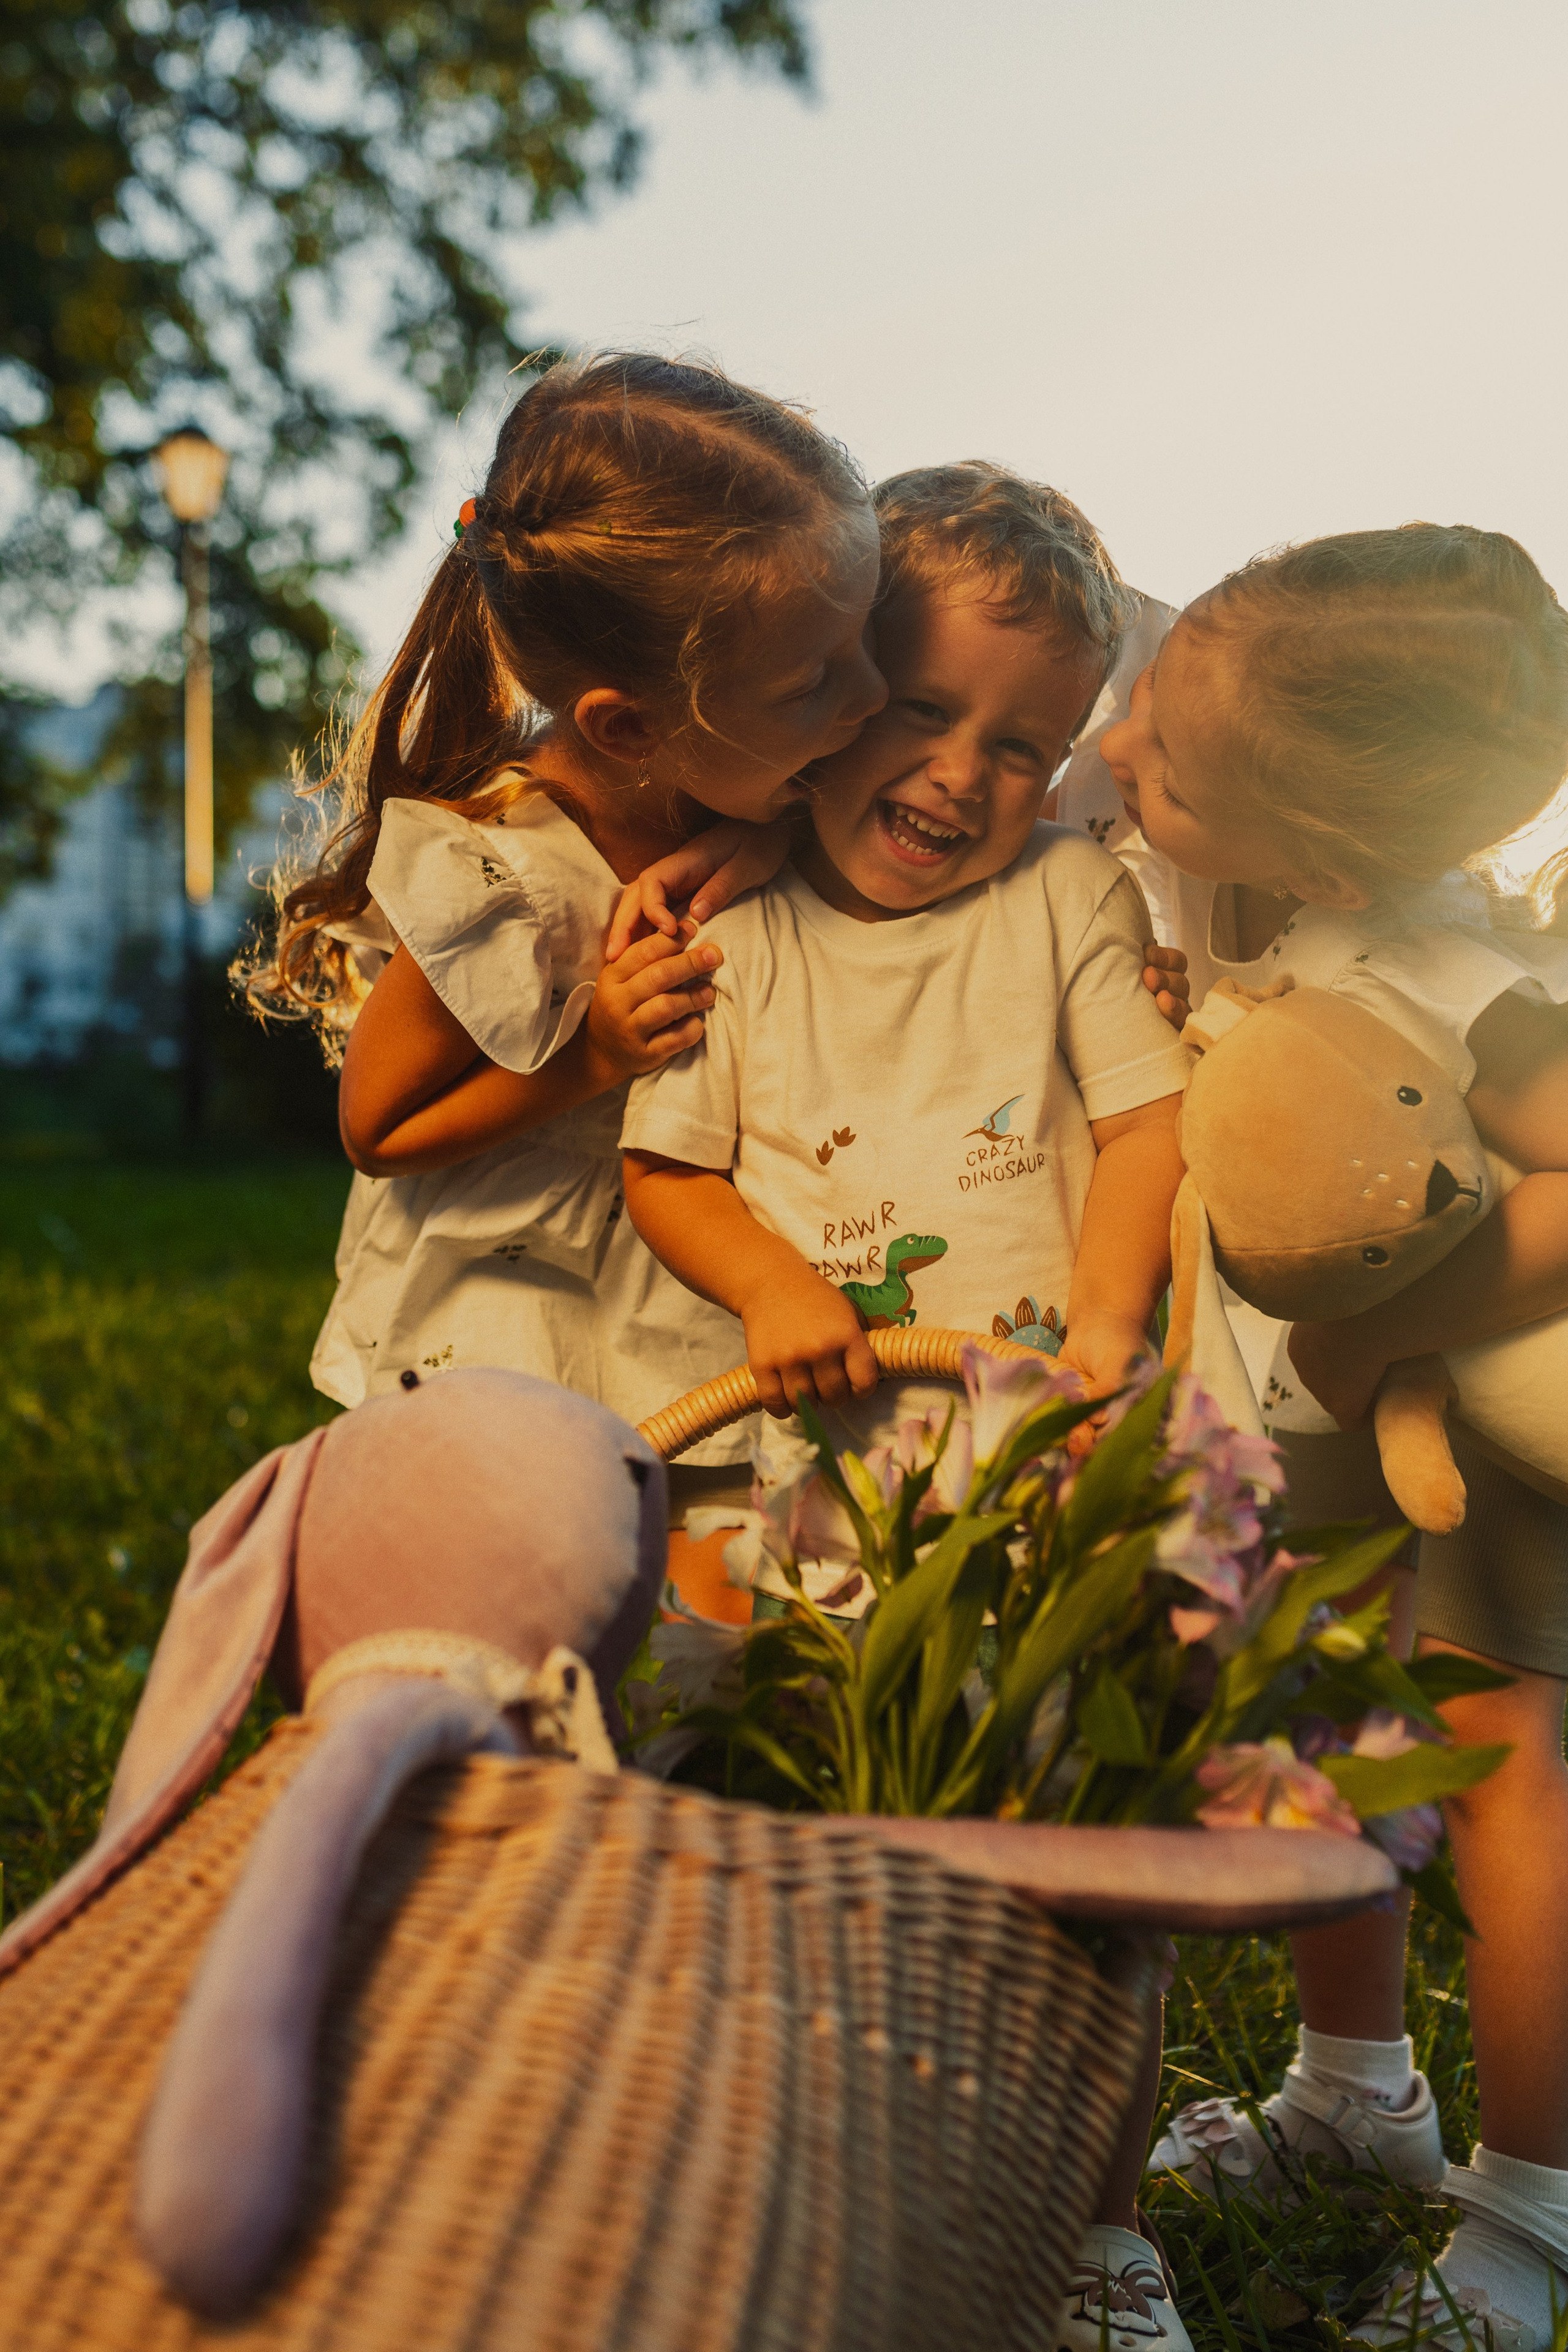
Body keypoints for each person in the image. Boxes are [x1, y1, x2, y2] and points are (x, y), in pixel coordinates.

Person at [618, 461, 1196, 2337]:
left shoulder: (1063, 894)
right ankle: (807, 2170)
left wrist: (1109, 1340)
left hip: (1029, 1461)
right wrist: (782, 1290)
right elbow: (671, 1165)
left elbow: (1145, 1123)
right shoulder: (744, 932)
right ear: (827, 692)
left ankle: (1102, 2234)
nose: (965, 773)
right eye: (923, 708)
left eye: (1026, 746)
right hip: (815, 1483)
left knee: (1079, 1824)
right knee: (783, 1817)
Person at [1096, 523, 1568, 2351]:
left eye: (1170, 760)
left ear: (1329, 848)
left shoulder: (1465, 981)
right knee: (1332, 1730)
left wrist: (1393, 1324)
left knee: (1502, 1764)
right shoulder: (1295, 923)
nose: (1128, 749)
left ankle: (1533, 2208)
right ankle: (1355, 2093)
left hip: (1481, 1459)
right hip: (1320, 1456)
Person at [245, 351, 886, 1483]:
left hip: (675, 1261)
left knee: (689, 1548)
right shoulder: (505, 872)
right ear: (629, 729)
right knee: (533, 1548)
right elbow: (376, 1129)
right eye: (816, 682)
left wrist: (769, 835)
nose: (874, 697)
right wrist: (592, 1051)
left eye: (866, 644)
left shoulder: (739, 789)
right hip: (514, 1299)